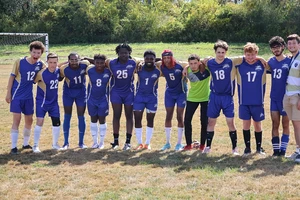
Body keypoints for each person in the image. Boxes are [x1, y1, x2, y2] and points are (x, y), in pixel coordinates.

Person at [5, 41, 46, 154]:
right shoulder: (20, 61)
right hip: (17, 96)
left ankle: (25, 143)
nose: (36, 55)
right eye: (34, 52)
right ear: (30, 51)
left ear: (41, 53)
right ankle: (13, 147)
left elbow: (51, 69)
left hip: (28, 97)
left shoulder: (40, 64)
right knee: (16, 120)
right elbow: (11, 78)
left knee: (29, 120)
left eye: (38, 53)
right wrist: (8, 93)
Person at [201, 40, 239, 155]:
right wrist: (204, 59)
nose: (221, 54)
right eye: (218, 52)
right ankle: (208, 147)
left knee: (230, 122)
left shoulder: (231, 62)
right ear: (215, 52)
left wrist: (261, 59)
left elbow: (247, 56)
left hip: (227, 97)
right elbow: (200, 61)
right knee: (211, 121)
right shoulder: (210, 62)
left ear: (226, 52)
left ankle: (234, 148)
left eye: (223, 52)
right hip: (214, 96)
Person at [236, 42, 267, 156]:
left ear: (256, 54)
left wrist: (260, 58)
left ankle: (259, 148)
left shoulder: (262, 64)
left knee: (258, 125)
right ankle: (247, 148)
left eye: (253, 55)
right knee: (246, 124)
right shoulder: (239, 64)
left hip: (258, 101)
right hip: (244, 101)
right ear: (244, 54)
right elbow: (225, 59)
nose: (250, 57)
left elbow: (273, 64)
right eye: (248, 55)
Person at [106, 43, 137, 150]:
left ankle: (128, 142)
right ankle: (115, 141)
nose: (124, 55)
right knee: (116, 115)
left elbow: (144, 61)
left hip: (129, 92)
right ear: (117, 53)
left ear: (129, 53)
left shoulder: (133, 63)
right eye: (121, 53)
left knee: (129, 115)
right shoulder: (111, 63)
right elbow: (100, 61)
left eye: (126, 53)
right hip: (116, 92)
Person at [32, 53, 61, 153]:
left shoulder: (58, 71)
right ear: (47, 62)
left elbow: (63, 67)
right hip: (42, 102)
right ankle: (35, 145)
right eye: (51, 62)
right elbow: (34, 81)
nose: (53, 64)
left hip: (54, 103)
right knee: (39, 121)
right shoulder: (41, 73)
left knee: (56, 122)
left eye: (55, 62)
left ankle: (55, 144)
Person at [60, 53, 90, 149]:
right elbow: (59, 77)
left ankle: (81, 142)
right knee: (67, 116)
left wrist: (86, 58)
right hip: (68, 93)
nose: (74, 62)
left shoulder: (84, 65)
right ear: (68, 60)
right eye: (71, 60)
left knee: (81, 116)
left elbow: (95, 62)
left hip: (81, 93)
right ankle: (65, 143)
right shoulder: (64, 69)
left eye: (76, 60)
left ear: (79, 60)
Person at [159, 49, 188, 151]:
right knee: (168, 116)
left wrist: (186, 68)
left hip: (181, 93)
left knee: (179, 117)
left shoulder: (179, 65)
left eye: (168, 58)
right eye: (164, 58)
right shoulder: (161, 66)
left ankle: (179, 143)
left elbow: (189, 64)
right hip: (169, 94)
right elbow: (151, 62)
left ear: (172, 57)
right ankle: (167, 143)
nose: (166, 60)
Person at [266, 36, 290, 156]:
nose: (276, 50)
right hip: (274, 98)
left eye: (278, 47)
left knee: (285, 124)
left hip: (286, 99)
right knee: (274, 123)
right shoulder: (271, 62)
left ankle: (283, 150)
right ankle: (276, 151)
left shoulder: (289, 61)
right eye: (273, 48)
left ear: (283, 47)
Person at [134, 50, 161, 150]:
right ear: (144, 59)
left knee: (150, 120)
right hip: (139, 97)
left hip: (152, 98)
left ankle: (147, 143)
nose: (149, 60)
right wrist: (141, 62)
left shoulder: (158, 69)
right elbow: (134, 59)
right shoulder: (139, 68)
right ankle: (139, 143)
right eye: (147, 59)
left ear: (155, 60)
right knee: (137, 119)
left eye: (151, 59)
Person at [182, 54, 210, 151]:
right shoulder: (188, 70)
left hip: (205, 98)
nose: (193, 65)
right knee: (187, 121)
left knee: (204, 122)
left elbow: (210, 58)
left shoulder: (206, 68)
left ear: (199, 62)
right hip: (192, 98)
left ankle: (202, 145)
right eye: (191, 64)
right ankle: (188, 144)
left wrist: (203, 60)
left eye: (195, 63)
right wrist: (186, 67)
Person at [86, 54, 111, 149]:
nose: (99, 65)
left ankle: (101, 142)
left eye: (101, 63)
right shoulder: (89, 70)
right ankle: (95, 142)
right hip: (91, 99)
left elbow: (111, 61)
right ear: (94, 62)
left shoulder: (108, 71)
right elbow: (84, 61)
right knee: (93, 120)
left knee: (102, 120)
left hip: (103, 99)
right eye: (97, 63)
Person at [283, 34, 300, 163]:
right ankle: (298, 150)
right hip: (288, 95)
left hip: (296, 96)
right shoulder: (292, 58)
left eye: (294, 43)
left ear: (298, 44)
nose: (291, 46)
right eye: (289, 44)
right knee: (295, 124)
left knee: (298, 124)